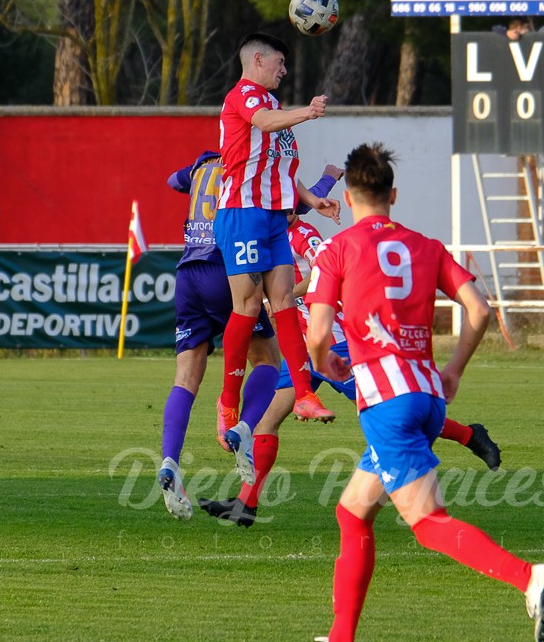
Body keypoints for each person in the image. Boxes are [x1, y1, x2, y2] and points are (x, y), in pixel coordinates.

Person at [305, 143, 544, 642]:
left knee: (427, 523)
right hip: (426, 395)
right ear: (392, 194)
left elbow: (317, 334)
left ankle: (527, 577)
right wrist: (455, 369)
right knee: (353, 509)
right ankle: (340, 638)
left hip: (385, 403)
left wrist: (323, 362)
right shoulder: (427, 246)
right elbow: (480, 310)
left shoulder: (337, 250)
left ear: (351, 198)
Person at [199, 195, 503, 527]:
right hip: (302, 351)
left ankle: (469, 436)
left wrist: (285, 297)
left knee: (391, 410)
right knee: (266, 423)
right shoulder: (269, 237)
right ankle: (247, 503)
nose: (281, 212)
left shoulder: (303, 234)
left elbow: (321, 270)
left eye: (286, 207)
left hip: (335, 346)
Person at [156, 151, 342, 521]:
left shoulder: (203, 163)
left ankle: (169, 462)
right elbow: (290, 203)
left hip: (188, 271)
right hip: (228, 268)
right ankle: (242, 425)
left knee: (186, 376)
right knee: (268, 360)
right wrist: (328, 179)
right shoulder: (254, 165)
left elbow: (172, 182)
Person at [213, 32, 341, 459]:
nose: (284, 71)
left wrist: (311, 200)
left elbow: (281, 167)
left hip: (271, 216)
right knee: (248, 309)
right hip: (242, 213)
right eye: (280, 63)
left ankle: (303, 393)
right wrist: (307, 112)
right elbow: (265, 125)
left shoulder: (272, 108)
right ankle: (229, 401)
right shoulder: (244, 97)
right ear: (259, 60)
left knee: (285, 300)